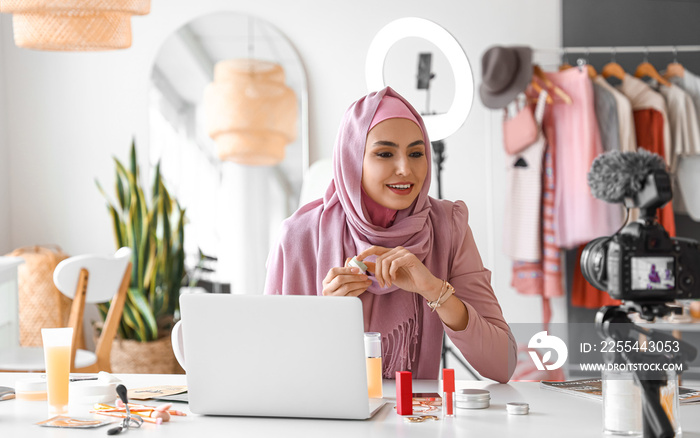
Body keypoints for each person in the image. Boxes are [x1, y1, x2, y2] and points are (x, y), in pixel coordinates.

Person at [264, 86, 517, 383]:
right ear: (352, 159)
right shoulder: (300, 237)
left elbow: (503, 364)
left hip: (414, 424)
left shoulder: (448, 227)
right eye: (385, 153)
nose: (405, 169)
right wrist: (326, 316)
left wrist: (435, 291)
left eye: (416, 153)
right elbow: (272, 370)